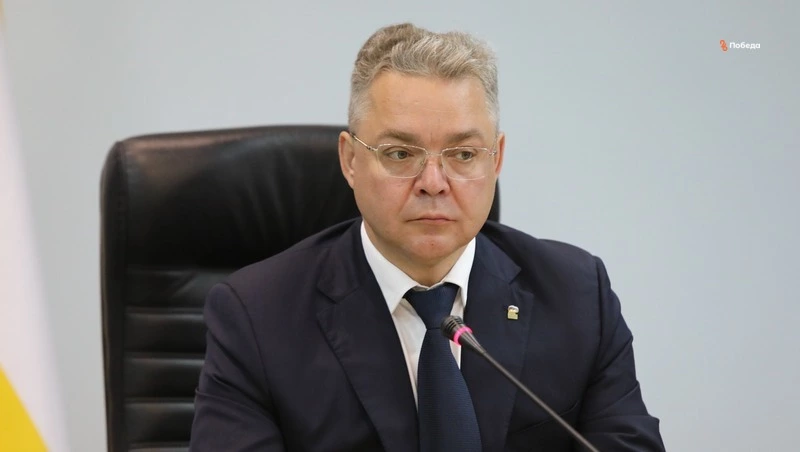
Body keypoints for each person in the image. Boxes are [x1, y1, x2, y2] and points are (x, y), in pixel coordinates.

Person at [189, 23, 665, 451]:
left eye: (463, 154)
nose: (434, 182)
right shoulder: (257, 316)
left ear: (496, 159)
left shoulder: (577, 295)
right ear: (350, 160)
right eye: (400, 154)